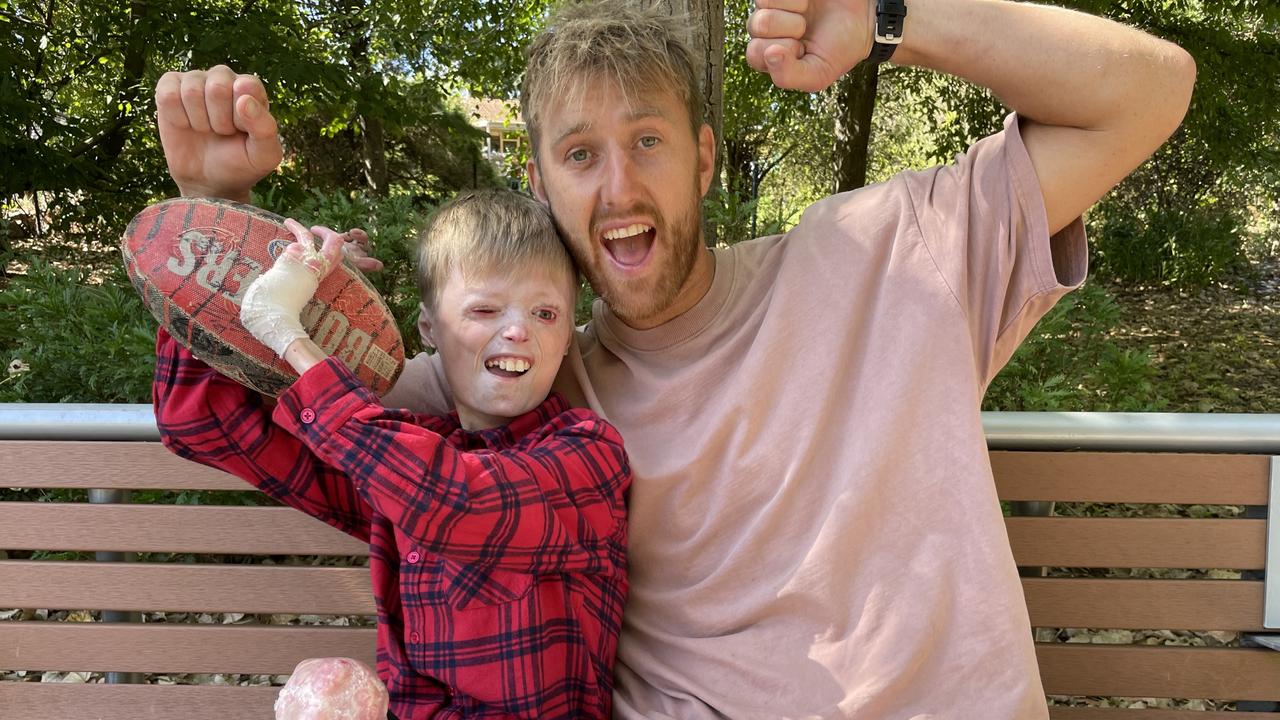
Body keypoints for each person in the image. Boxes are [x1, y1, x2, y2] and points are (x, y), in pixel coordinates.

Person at [154, 0, 1196, 716]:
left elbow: (1147, 91)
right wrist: (215, 214)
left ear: (702, 155)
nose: (617, 188)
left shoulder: (885, 255)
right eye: (579, 155)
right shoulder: (519, 387)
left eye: (646, 141)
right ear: (539, 182)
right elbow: (256, 422)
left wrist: (886, 19)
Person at [153, 189, 631, 720]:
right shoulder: (395, 455)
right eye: (485, 309)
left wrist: (288, 336)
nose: (518, 330)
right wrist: (252, 279)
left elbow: (453, 502)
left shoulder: (588, 455)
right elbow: (201, 422)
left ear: (567, 336)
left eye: (546, 313)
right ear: (428, 328)